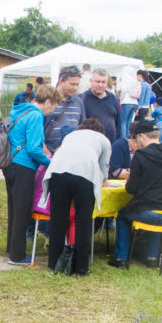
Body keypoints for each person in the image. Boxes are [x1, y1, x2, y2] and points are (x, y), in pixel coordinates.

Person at [109, 120, 162, 270]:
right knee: (156, 206)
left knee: (123, 214)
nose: (136, 143)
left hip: (152, 211)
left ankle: (121, 258)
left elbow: (131, 189)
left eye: (136, 139)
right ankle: (152, 257)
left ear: (142, 136)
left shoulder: (141, 155)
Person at [42, 117, 111, 275]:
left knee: (58, 220)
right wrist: (104, 181)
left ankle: (54, 263)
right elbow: (103, 166)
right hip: (85, 176)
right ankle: (80, 267)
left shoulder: (71, 135)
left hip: (58, 173)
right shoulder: (104, 140)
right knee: (83, 222)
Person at [5, 85, 62, 265]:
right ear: (46, 102)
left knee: (14, 210)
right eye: (53, 107)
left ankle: (12, 248)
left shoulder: (20, 110)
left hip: (10, 164)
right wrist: (52, 164)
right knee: (22, 212)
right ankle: (17, 256)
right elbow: (34, 149)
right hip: (24, 167)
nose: (51, 111)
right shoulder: (36, 115)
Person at [44, 66, 86, 154]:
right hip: (48, 155)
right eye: (72, 84)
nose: (75, 88)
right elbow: (36, 131)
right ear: (61, 80)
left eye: (77, 85)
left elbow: (82, 127)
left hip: (71, 154)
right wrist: (47, 154)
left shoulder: (78, 102)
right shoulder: (46, 99)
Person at [82, 68, 121, 144]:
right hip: (91, 144)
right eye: (97, 81)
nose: (100, 85)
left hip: (111, 143)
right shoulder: (83, 98)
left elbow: (118, 122)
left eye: (103, 82)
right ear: (91, 81)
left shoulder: (113, 98)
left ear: (107, 83)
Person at [118, 66, 140, 138]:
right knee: (129, 121)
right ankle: (129, 137)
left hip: (126, 101)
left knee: (123, 121)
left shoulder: (124, 77)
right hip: (135, 102)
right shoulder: (133, 79)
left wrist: (120, 98)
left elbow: (123, 89)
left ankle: (123, 138)